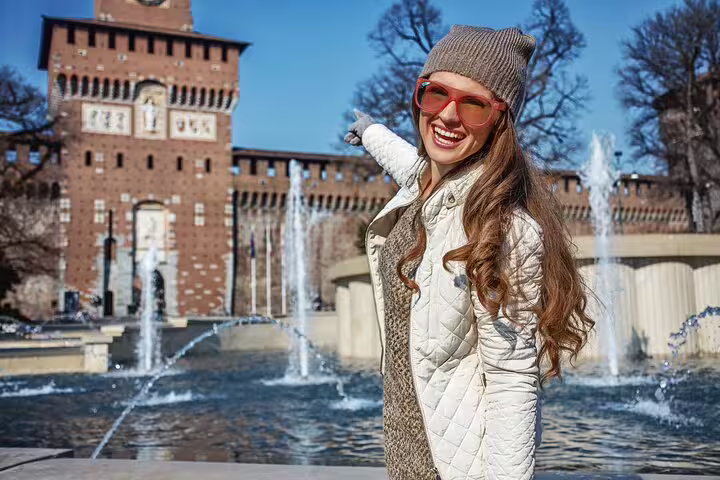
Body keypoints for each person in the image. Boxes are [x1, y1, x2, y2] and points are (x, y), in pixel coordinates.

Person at [345, 26, 594, 480]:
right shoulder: (429, 184)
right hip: (407, 451)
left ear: (500, 120)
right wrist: (370, 133)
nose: (448, 116)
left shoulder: (503, 226)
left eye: (474, 104)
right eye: (436, 94)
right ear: (418, 96)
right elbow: (410, 161)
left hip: (458, 467)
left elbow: (513, 381)